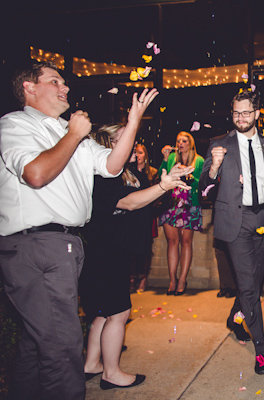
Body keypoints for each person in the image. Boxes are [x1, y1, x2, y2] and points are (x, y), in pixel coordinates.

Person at [0, 61, 156, 400]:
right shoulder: (15, 124)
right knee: (61, 345)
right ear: (29, 87)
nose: (65, 87)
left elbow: (113, 166)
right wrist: (73, 134)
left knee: (36, 343)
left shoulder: (72, 135)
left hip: (65, 245)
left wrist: (133, 122)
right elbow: (35, 174)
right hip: (36, 245)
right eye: (55, 80)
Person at [80, 124, 193, 390]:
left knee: (101, 314)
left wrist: (166, 180)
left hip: (112, 249)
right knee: (119, 313)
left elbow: (144, 202)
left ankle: (91, 364)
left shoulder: (127, 173)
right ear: (109, 144)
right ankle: (111, 373)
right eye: (124, 139)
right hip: (105, 251)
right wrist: (163, 187)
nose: (132, 144)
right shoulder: (103, 176)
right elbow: (129, 203)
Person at [199, 91, 264, 375]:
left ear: (257, 114)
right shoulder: (219, 144)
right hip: (236, 221)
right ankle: (261, 349)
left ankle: (235, 319)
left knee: (255, 282)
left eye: (246, 113)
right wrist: (216, 168)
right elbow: (204, 190)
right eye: (236, 113)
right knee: (249, 287)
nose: (240, 118)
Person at [159, 131, 204, 295]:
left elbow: (204, 184)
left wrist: (191, 176)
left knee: (186, 242)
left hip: (189, 204)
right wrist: (164, 160)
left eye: (184, 141)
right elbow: (161, 176)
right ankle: (172, 280)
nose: (180, 144)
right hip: (171, 203)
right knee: (172, 241)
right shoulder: (171, 158)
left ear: (190, 143)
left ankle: (182, 280)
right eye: (178, 141)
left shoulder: (199, 160)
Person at [130, 143, 158, 292]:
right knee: (131, 248)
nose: (138, 155)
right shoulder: (128, 172)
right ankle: (131, 277)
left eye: (140, 152)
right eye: (135, 152)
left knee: (145, 248)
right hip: (132, 215)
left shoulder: (152, 172)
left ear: (145, 156)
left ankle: (143, 278)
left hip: (147, 215)